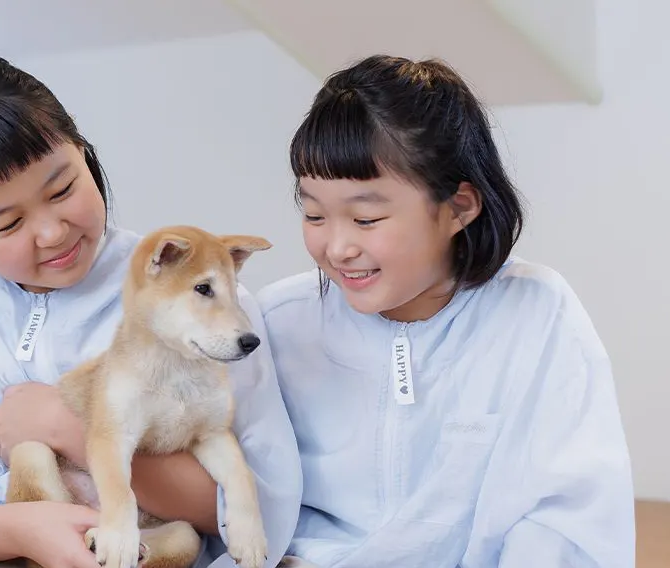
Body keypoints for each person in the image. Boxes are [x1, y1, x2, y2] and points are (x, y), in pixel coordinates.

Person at [0, 55, 302, 568]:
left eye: (63, 189)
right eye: (7, 224)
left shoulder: (193, 293)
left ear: (83, 153)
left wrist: (66, 424)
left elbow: (255, 510)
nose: (52, 233)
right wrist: (24, 531)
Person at [257, 55, 636, 567]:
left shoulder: (534, 313)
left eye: (367, 218)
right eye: (315, 214)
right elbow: (242, 501)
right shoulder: (279, 320)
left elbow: (567, 517)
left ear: (459, 207)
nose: (337, 247)